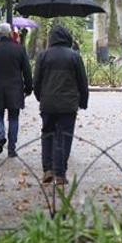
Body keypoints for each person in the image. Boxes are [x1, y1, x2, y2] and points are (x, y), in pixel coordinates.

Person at [33, 26, 89, 185]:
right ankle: (60, 173)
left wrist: (40, 97)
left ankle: (47, 169)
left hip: (48, 103)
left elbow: (36, 81)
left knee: (47, 135)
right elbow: (82, 81)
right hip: (68, 104)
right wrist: (83, 101)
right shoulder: (74, 56)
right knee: (64, 137)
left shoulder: (43, 56)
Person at [0, 23, 33, 158]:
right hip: (15, 89)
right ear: (10, 33)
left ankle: (0, 135)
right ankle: (12, 149)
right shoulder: (19, 49)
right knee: (13, 118)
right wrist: (28, 88)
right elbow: (27, 72)